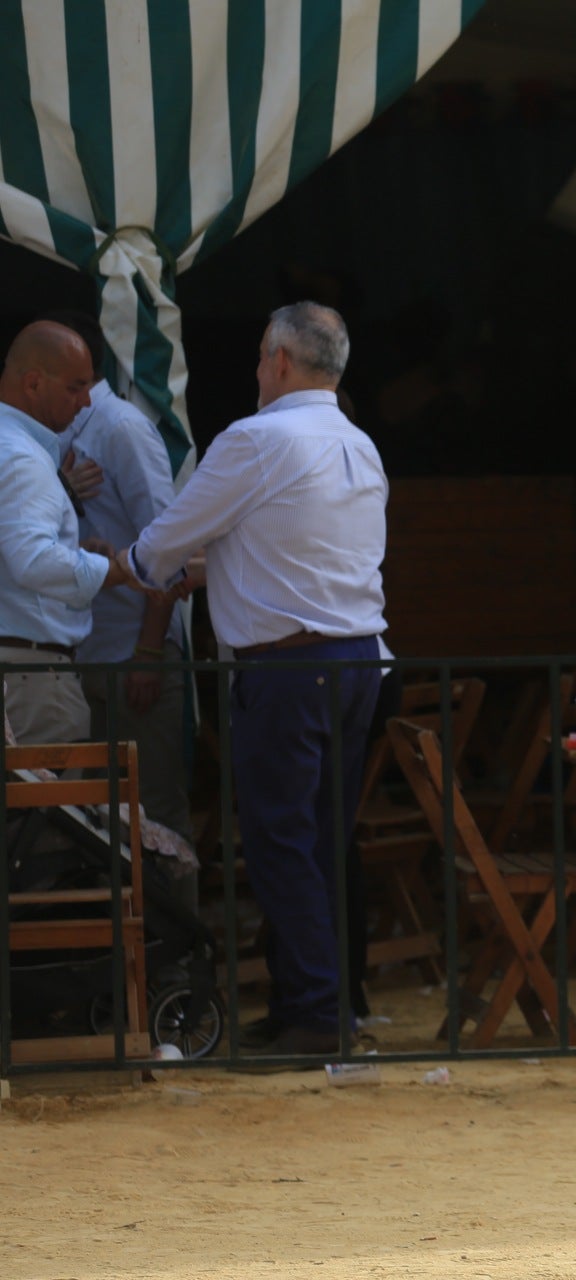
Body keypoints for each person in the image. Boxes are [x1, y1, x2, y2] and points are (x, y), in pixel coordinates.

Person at [117, 301, 387, 1059]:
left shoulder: (256, 439)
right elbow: (290, 549)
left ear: (277, 362)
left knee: (280, 841)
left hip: (289, 667)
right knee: (321, 841)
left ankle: (315, 1015)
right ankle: (321, 1005)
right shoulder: (359, 445)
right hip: (356, 657)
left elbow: (166, 540)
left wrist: (135, 566)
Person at [42, 311, 193, 843]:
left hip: (133, 655)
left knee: (152, 819)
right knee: (97, 827)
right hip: (92, 656)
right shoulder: (59, 439)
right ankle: (121, 930)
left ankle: (173, 929)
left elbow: (167, 549)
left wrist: (150, 651)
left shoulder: (121, 428)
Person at [0, 321, 141, 744]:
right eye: (76, 387)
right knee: (54, 810)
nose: (85, 403)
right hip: (33, 678)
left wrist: (74, 549)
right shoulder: (22, 458)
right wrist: (114, 569)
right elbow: (34, 561)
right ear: (32, 383)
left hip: (22, 672)